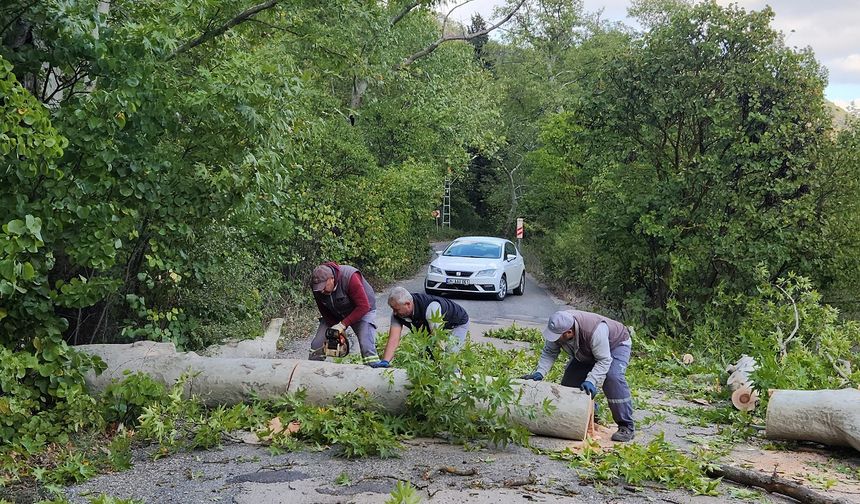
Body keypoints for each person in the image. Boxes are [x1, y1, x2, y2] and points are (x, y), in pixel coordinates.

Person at [522, 309, 635, 442]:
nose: (554, 339)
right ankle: (592, 413)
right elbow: (549, 352)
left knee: (613, 377)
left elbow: (604, 360)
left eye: (557, 336)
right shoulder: (558, 328)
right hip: (586, 351)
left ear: (569, 332)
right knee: (569, 385)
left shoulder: (594, 331)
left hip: (616, 345)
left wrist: (591, 380)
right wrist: (539, 372)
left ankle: (626, 425)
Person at [370, 286, 469, 368]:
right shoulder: (397, 314)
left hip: (456, 324)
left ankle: (454, 380)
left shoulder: (431, 308)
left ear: (408, 304)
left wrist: (440, 363)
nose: (394, 312)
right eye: (392, 309)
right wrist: (385, 361)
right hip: (432, 328)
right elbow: (394, 338)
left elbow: (438, 339)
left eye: (396, 309)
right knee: (426, 355)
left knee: (449, 355)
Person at [309, 262, 380, 365]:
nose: (322, 291)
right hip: (335, 313)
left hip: (362, 310)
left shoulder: (350, 277)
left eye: (324, 286)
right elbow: (323, 310)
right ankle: (312, 373)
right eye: (319, 288)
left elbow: (364, 306)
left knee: (366, 345)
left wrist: (342, 325)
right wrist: (336, 330)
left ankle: (373, 371)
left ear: (332, 278)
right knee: (316, 345)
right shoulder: (317, 288)